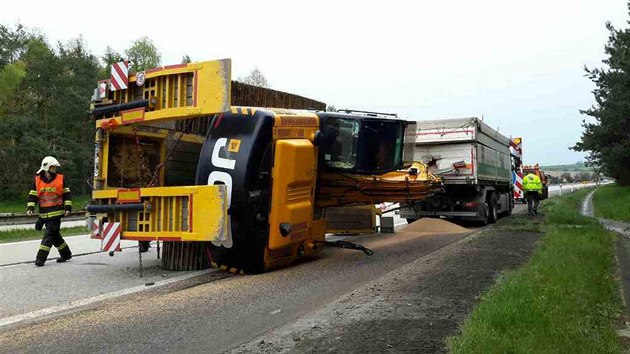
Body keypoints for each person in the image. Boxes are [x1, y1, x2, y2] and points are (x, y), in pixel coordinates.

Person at [27, 156, 73, 266]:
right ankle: (66, 254)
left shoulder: (60, 179)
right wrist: (30, 208)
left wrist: (67, 208)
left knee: (47, 237)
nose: (55, 169)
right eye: (53, 167)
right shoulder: (37, 180)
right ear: (47, 167)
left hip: (56, 214)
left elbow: (67, 194)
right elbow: (33, 195)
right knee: (55, 236)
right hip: (44, 214)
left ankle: (40, 259)